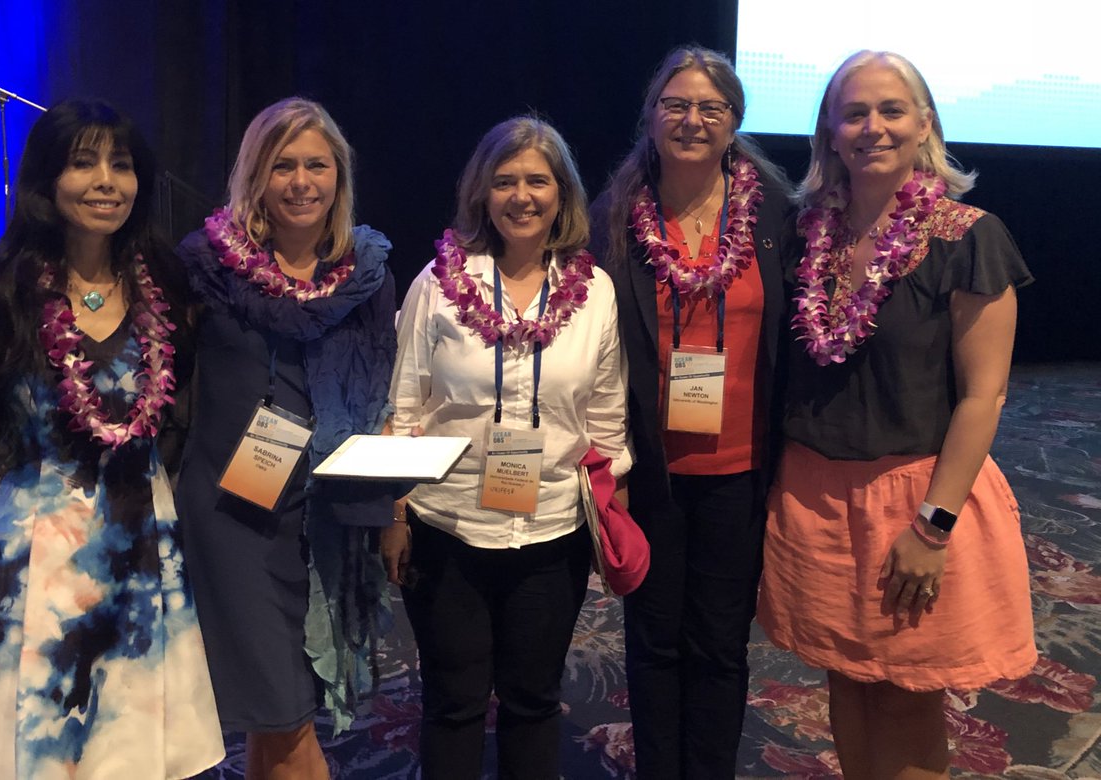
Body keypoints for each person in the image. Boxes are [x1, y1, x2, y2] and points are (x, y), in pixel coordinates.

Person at [0, 99, 223, 778]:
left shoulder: (162, 288)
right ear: (48, 179)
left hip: (141, 535)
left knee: (130, 732)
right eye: (83, 163)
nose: (106, 180)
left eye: (122, 164)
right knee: (39, 735)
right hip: (32, 545)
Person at [757, 50, 1037, 779]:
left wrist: (933, 527)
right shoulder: (805, 233)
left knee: (907, 694)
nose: (871, 127)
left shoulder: (967, 235)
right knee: (845, 679)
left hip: (916, 499)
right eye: (854, 112)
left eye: (890, 110)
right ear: (829, 130)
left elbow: (986, 396)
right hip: (812, 494)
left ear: (924, 124)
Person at [386, 116, 629, 780]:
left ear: (562, 194)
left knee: (532, 701)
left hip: (552, 530)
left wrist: (613, 521)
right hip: (449, 525)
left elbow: (606, 417)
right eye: (504, 181)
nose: (521, 196)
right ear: (482, 194)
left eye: (536, 181)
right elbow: (404, 409)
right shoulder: (438, 284)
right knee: (454, 704)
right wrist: (397, 515)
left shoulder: (595, 293)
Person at [174, 97, 397, 780]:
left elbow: (382, 390)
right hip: (232, 514)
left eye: (316, 165)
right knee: (286, 713)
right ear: (255, 177)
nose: (301, 182)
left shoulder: (368, 273)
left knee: (283, 711)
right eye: (283, 166)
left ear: (339, 175)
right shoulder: (203, 267)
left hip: (326, 518)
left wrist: (392, 510)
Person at [589, 46, 792, 778]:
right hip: (651, 472)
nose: (693, 120)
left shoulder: (774, 213)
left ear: (735, 122)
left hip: (740, 470)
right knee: (652, 638)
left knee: (718, 642)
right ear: (650, 115)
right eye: (676, 104)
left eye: (712, 107)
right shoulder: (612, 219)